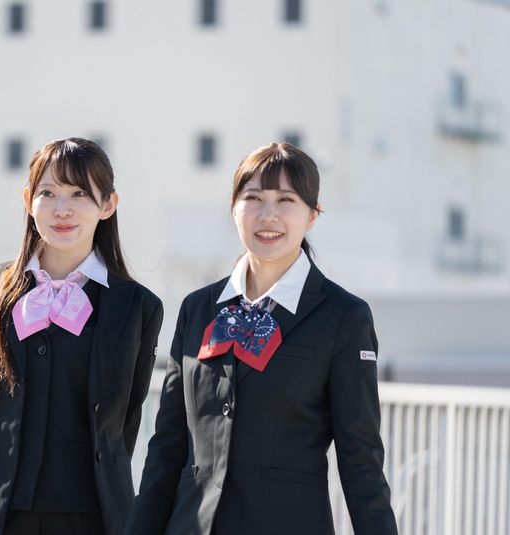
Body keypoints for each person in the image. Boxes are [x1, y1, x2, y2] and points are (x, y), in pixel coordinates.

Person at [126, 143, 397, 535]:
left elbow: (361, 461)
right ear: (234, 208)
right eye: (253, 198)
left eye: (286, 200)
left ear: (312, 215)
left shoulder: (343, 317)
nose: (268, 215)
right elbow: (168, 447)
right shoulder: (198, 308)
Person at [0, 137, 163, 535]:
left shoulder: (137, 306)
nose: (62, 209)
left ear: (108, 205)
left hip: (92, 514)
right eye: (47, 193)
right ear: (28, 201)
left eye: (79, 193)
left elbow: (123, 424)